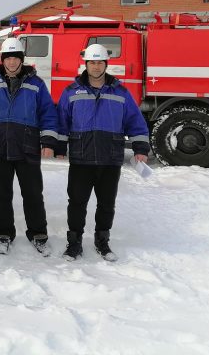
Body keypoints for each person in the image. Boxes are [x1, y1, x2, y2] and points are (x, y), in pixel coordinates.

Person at [56, 43, 150, 261]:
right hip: (81, 157)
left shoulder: (121, 92)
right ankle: (74, 243)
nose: (96, 66)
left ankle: (102, 241)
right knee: (77, 201)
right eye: (92, 62)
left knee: (107, 203)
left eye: (100, 62)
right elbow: (61, 121)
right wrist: (59, 146)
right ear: (86, 64)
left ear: (106, 64)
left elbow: (136, 122)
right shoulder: (71, 92)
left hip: (110, 158)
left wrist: (140, 148)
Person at [0, 37, 58, 256]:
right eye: (9, 58)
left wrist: (48, 142)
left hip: (27, 146)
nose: (12, 62)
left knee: (33, 194)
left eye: (16, 58)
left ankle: (38, 235)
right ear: (3, 60)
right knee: (2, 194)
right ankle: (4, 235)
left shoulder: (36, 84)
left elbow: (47, 113)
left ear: (22, 60)